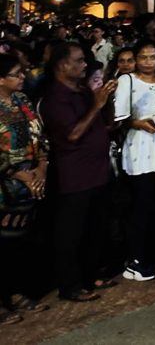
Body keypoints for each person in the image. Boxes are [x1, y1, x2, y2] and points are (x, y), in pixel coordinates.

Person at [40, 43, 118, 301]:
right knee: (71, 233)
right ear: (63, 65)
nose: (85, 65)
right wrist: (97, 104)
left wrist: (106, 102)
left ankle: (91, 273)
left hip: (98, 171)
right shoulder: (55, 98)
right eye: (80, 61)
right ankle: (69, 286)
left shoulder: (82, 90)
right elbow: (72, 133)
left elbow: (101, 123)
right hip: (75, 176)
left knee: (96, 227)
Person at [113, 40, 155, 281]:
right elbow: (118, 117)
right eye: (143, 57)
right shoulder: (127, 81)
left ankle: (144, 254)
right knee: (140, 204)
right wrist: (136, 122)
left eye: (152, 57)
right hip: (139, 148)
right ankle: (135, 259)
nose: (148, 62)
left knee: (152, 202)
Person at [0, 53, 50, 322]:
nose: (23, 78)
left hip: (30, 180)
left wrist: (41, 167)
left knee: (17, 245)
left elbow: (38, 135)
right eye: (16, 74)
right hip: (6, 185)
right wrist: (18, 175)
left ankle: (15, 292)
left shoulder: (22, 100)